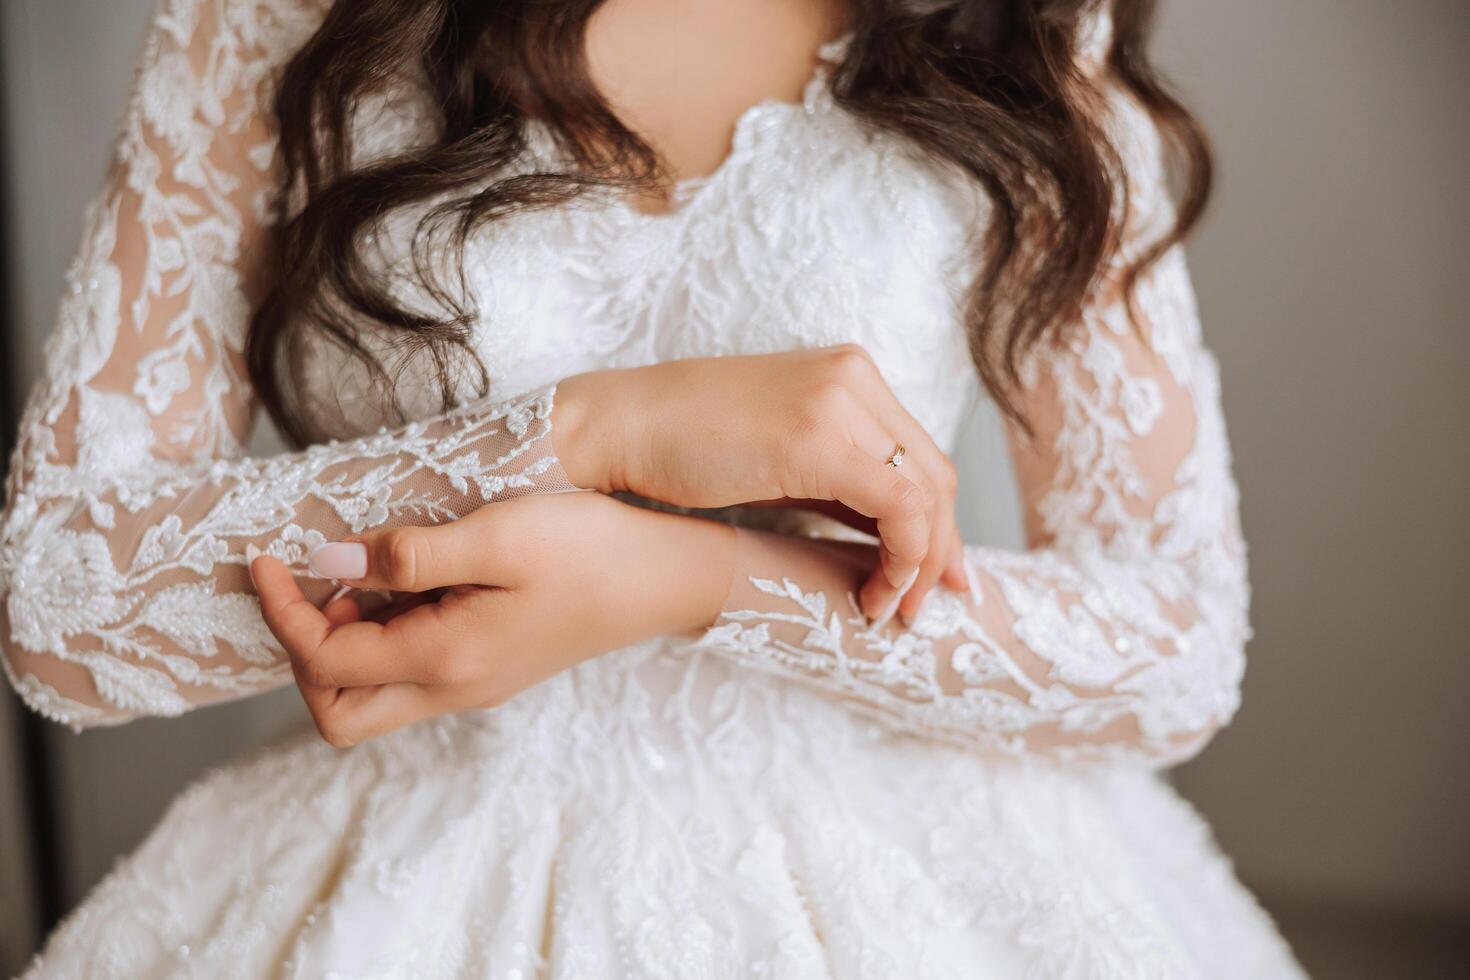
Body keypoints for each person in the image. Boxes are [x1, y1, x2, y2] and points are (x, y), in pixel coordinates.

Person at [0, 0, 1305, 975]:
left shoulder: (1014, 25)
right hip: (414, 868)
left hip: (921, 873)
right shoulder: (271, 17)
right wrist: (592, 435)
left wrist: (688, 579)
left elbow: (1174, 638)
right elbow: (57, 603)